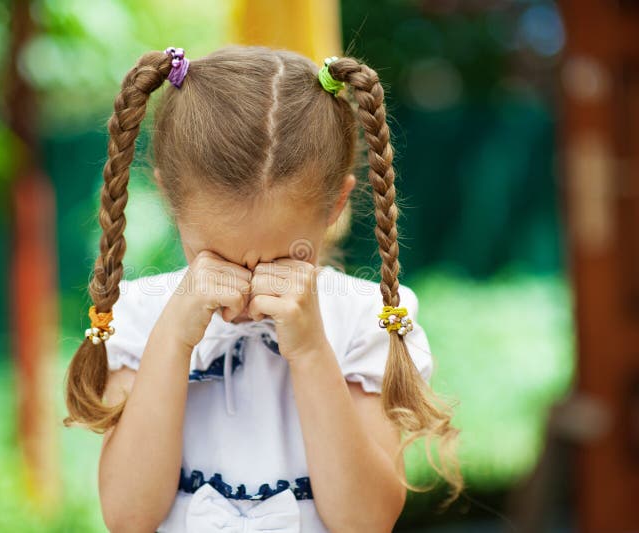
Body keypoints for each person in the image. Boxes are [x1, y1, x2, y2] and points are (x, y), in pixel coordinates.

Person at [64, 44, 463, 532]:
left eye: (280, 259)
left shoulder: (361, 322)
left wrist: (313, 352)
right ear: (169, 198)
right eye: (218, 259)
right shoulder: (142, 317)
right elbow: (128, 516)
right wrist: (172, 340)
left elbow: (366, 522)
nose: (249, 286)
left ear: (336, 204)